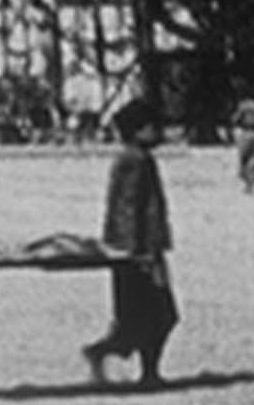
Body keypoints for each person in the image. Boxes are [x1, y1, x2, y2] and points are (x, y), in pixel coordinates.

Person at [81, 98, 179, 388]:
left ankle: (145, 370)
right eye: (153, 126)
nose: (159, 132)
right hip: (137, 252)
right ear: (137, 131)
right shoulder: (133, 160)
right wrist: (137, 252)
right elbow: (127, 208)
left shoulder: (137, 158)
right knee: (156, 314)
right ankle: (119, 359)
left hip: (142, 249)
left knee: (152, 315)